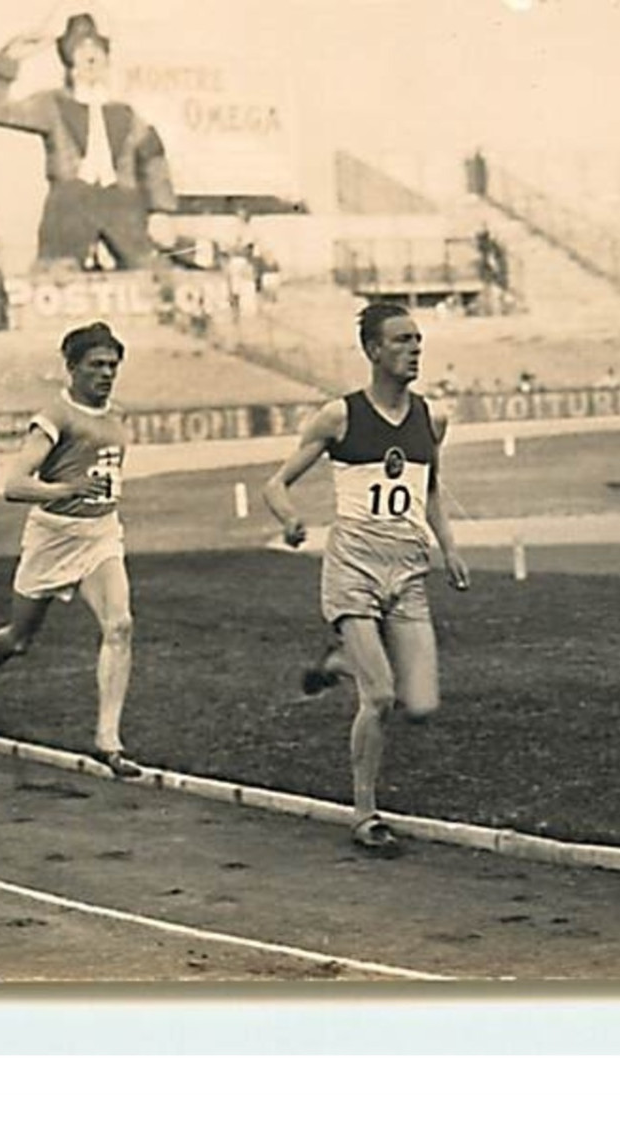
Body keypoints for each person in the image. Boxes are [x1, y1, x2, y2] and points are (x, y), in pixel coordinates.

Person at [262, 302, 470, 857]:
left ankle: (338, 662)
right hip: (353, 565)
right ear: (373, 350)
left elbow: (428, 490)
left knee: (421, 703)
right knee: (379, 696)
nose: (414, 349)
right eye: (401, 340)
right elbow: (275, 484)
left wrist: (449, 547)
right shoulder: (340, 416)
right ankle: (364, 813)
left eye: (418, 339)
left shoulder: (433, 419)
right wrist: (288, 520)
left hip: (408, 568)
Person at [0, 323, 144, 781]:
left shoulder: (119, 416)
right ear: (73, 367)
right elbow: (14, 485)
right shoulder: (53, 417)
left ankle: (108, 741)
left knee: (120, 625)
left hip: (100, 535)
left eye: (113, 365)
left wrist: (97, 497)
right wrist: (68, 488)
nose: (106, 374)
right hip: (51, 536)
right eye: (96, 365)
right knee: (17, 640)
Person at [0, 12, 176, 271]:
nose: (91, 58)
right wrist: (8, 60)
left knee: (151, 274)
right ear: (70, 63)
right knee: (55, 275)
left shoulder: (126, 115)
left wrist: (160, 210)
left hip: (123, 204)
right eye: (81, 50)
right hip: (70, 204)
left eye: (97, 50)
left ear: (107, 60)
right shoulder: (52, 106)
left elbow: (153, 158)